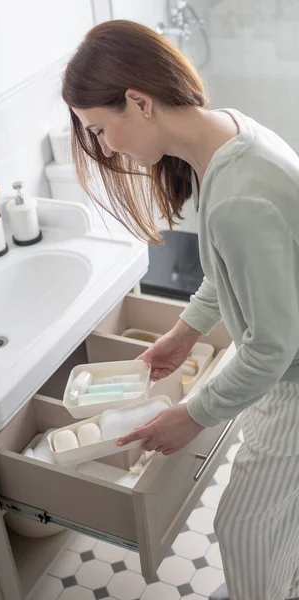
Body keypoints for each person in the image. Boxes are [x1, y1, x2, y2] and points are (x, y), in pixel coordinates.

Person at [62, 19, 299, 600]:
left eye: (100, 128)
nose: (107, 147)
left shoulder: (238, 196)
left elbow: (272, 346)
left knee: (240, 524)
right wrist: (184, 333)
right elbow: (235, 270)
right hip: (285, 376)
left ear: (138, 102)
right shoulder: (231, 139)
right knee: (271, 524)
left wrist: (192, 413)